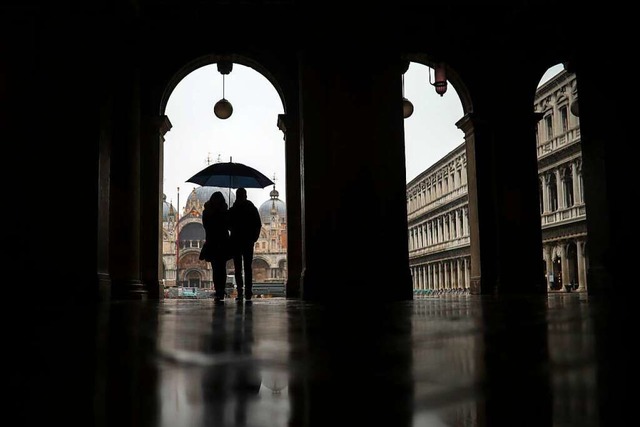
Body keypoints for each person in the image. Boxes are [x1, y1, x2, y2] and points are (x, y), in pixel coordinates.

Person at [229, 187, 262, 302]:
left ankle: (240, 292)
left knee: (238, 268)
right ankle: (248, 291)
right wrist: (254, 237)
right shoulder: (252, 208)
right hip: (247, 241)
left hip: (237, 241)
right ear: (245, 196)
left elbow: (228, 224)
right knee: (247, 268)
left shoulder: (233, 209)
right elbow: (258, 224)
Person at [202, 191, 232, 304]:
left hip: (213, 242)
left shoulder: (207, 212)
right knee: (221, 268)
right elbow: (229, 226)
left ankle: (218, 290)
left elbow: (205, 225)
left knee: (216, 268)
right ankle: (221, 290)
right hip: (222, 242)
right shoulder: (223, 211)